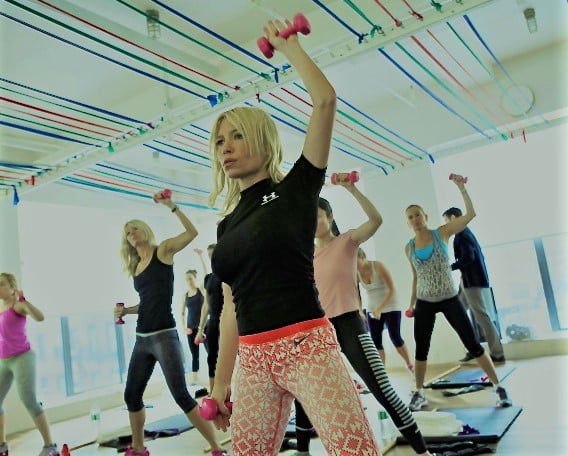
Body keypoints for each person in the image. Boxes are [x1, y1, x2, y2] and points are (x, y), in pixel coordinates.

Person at [207, 18, 381, 456]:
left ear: (263, 142)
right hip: (253, 358)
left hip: (308, 346)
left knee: (355, 450)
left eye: (237, 135)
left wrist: (291, 50)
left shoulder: (297, 190)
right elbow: (231, 306)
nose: (225, 146)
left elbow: (324, 103)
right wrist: (220, 380)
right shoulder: (225, 226)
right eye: (220, 141)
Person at [294, 189, 432, 456]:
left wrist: (351, 188)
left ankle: (423, 452)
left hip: (349, 326)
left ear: (330, 217)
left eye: (318, 217)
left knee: (382, 389)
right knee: (302, 394)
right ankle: (302, 452)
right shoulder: (305, 254)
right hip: (318, 329)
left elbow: (376, 220)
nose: (312, 223)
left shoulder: (347, 242)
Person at [116, 193, 227, 456]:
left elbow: (192, 232)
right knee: (131, 395)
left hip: (164, 336)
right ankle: (139, 447)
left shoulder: (162, 251)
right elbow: (147, 302)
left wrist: (172, 206)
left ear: (144, 231)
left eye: (135, 228)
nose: (132, 233)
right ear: (127, 241)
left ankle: (216, 448)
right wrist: (126, 310)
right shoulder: (136, 267)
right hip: (142, 338)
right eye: (127, 232)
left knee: (181, 396)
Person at [404, 175, 512, 412]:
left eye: (418, 214)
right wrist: (411, 303)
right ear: (408, 222)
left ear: (425, 217)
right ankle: (419, 392)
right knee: (421, 348)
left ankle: (499, 387)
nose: (415, 219)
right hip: (424, 301)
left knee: (473, 343)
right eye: (410, 216)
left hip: (450, 298)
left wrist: (462, 189)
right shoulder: (408, 247)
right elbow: (415, 276)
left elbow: (470, 214)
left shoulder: (441, 233)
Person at [0, 273, 59, 456]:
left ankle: (50, 446)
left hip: (22, 358)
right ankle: (2, 445)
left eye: (2, 284)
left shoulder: (18, 306)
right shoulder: (1, 309)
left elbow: (40, 317)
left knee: (29, 400)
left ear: (12, 288)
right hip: (4, 360)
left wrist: (25, 301)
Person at [442, 207, 505, 364]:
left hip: (472, 280)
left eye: (446, 221)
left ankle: (497, 353)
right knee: (460, 313)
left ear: (453, 217)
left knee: (481, 315)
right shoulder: (463, 233)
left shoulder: (462, 234)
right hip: (467, 280)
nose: (446, 225)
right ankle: (473, 349)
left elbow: (469, 257)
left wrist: (450, 267)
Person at [357, 248, 414, 373]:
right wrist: (360, 311)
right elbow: (357, 294)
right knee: (375, 340)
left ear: (361, 257)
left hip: (391, 306)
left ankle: (410, 365)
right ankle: (382, 372)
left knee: (395, 337)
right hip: (373, 308)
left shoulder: (377, 266)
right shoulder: (356, 273)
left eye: (355, 261)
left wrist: (380, 309)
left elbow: (392, 289)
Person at [195, 245, 224, 393]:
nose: (212, 258)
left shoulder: (228, 275)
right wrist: (200, 329)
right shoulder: (208, 279)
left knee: (236, 356)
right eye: (209, 255)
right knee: (212, 357)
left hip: (228, 321)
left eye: (214, 254)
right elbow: (206, 304)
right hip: (212, 322)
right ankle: (213, 393)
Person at [180, 269, 205, 384]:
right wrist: (183, 327)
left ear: (195, 278)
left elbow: (206, 276)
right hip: (191, 329)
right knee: (195, 355)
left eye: (190, 278)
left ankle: (216, 376)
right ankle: (195, 380)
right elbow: (182, 313)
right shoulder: (185, 295)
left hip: (204, 327)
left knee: (212, 352)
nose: (188, 281)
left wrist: (200, 256)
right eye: (186, 279)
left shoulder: (201, 290)